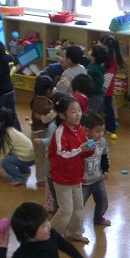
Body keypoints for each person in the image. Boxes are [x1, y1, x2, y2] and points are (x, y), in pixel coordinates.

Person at [48, 95, 95, 244]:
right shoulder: (60, 133)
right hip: (62, 179)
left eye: (79, 110)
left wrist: (90, 148)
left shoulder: (79, 129)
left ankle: (75, 232)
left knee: (78, 208)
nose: (78, 114)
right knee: (66, 210)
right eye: (73, 112)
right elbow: (61, 154)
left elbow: (83, 151)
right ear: (62, 115)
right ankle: (50, 236)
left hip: (76, 176)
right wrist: (81, 149)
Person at [81, 112, 111, 226]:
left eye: (102, 131)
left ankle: (98, 218)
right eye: (98, 131)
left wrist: (105, 170)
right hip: (83, 182)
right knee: (79, 205)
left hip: (98, 179)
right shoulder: (82, 143)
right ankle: (75, 223)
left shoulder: (102, 142)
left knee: (103, 201)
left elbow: (104, 156)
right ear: (87, 131)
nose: (101, 134)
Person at [0, 107, 35, 186]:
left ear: (0, 123)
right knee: (15, 154)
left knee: (5, 162)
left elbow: (5, 152)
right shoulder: (11, 130)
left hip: (28, 158)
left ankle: (20, 178)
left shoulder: (7, 134)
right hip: (31, 156)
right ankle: (25, 169)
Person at [30, 75, 56, 186]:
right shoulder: (43, 102)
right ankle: (41, 179)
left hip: (40, 132)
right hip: (40, 133)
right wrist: (55, 107)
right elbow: (48, 115)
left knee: (42, 156)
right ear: (48, 90)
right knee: (41, 157)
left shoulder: (38, 98)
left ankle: (44, 176)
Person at [99, 35, 124, 133]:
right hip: (105, 90)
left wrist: (102, 90)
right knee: (107, 108)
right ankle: (109, 126)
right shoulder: (107, 59)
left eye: (100, 44)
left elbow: (108, 77)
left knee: (107, 109)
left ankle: (110, 128)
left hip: (106, 91)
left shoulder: (110, 62)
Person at [85, 43, 108, 114]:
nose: (88, 51)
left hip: (94, 97)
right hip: (97, 96)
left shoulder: (92, 69)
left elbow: (97, 85)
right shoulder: (97, 66)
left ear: (93, 57)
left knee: (90, 116)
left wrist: (87, 90)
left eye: (90, 50)